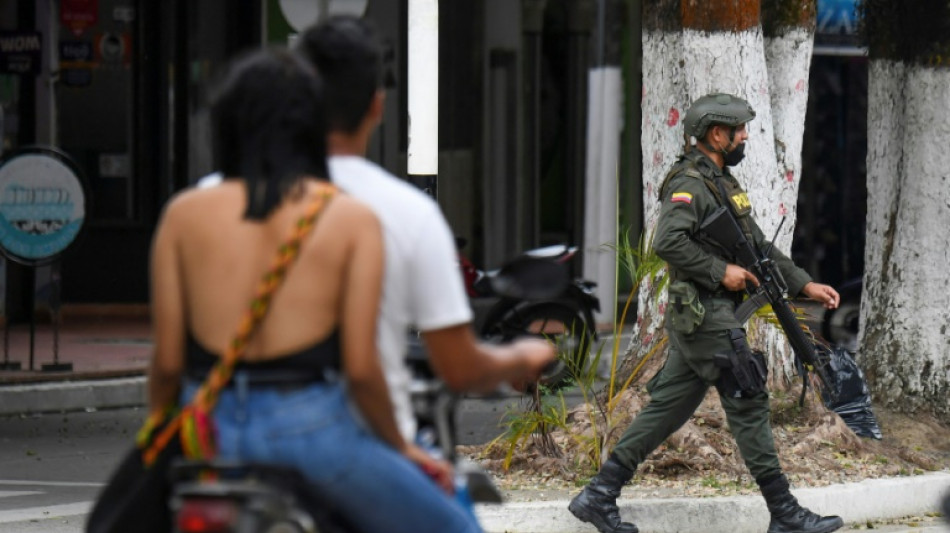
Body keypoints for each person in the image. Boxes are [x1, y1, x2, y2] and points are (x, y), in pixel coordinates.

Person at [148, 48, 481, 533]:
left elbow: (168, 364)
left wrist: (159, 433)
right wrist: (402, 446)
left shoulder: (183, 213)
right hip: (313, 434)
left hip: (208, 434)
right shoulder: (348, 218)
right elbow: (363, 371)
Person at [568, 93, 844, 533]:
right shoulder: (690, 184)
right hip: (707, 314)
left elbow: (756, 245)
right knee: (750, 399)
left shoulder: (721, 182)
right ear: (717, 134)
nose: (745, 137)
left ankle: (598, 495)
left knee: (668, 409)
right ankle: (785, 514)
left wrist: (803, 283)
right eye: (739, 131)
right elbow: (667, 242)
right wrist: (722, 272)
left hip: (707, 317)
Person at [294, 15, 556, 444]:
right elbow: (452, 367)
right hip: (357, 444)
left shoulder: (213, 203)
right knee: (457, 513)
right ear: (377, 106)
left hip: (230, 442)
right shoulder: (399, 212)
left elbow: (172, 366)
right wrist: (521, 357)